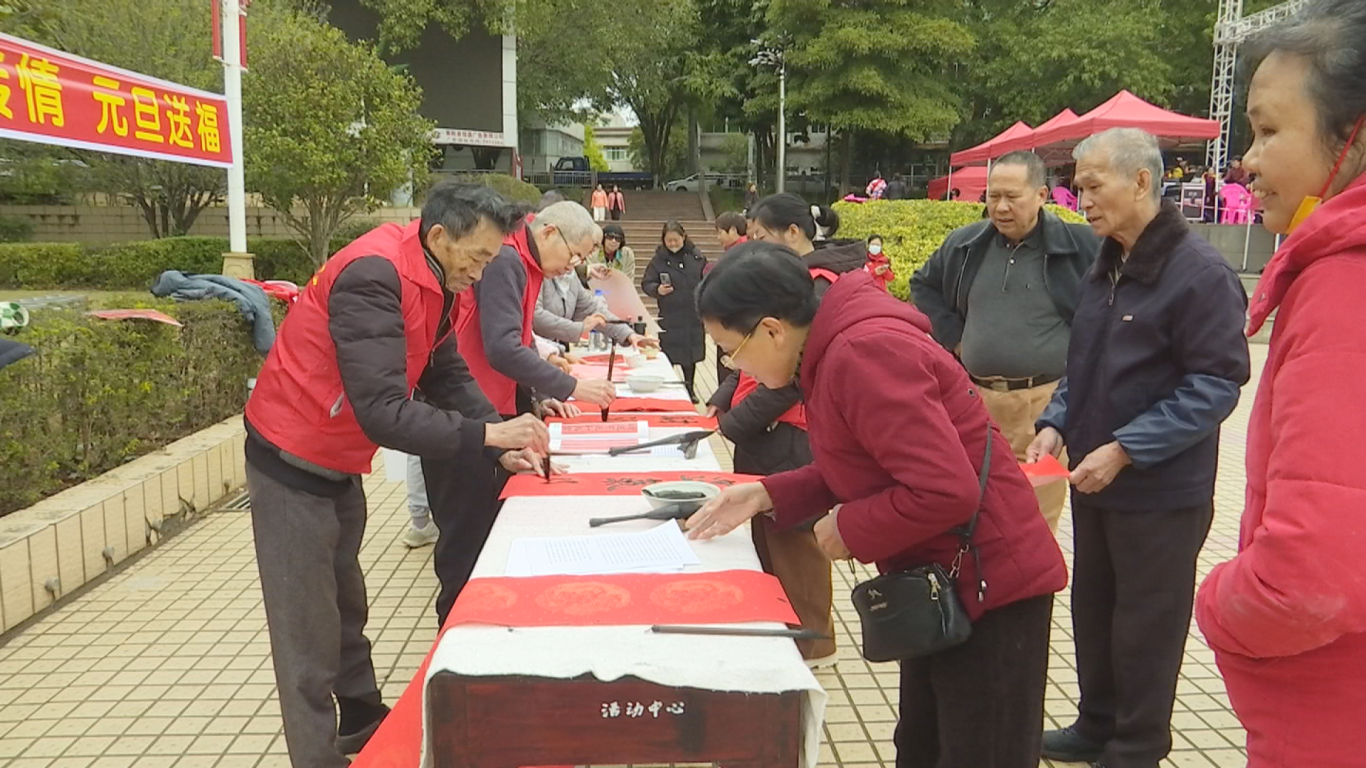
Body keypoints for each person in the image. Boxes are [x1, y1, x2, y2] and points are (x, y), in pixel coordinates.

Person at [686, 243, 1068, 767]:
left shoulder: (862, 352)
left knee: (979, 750)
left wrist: (849, 527)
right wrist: (770, 492)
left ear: (772, 330)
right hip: (943, 578)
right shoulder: (831, 348)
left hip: (990, 582)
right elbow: (870, 459)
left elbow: (945, 489)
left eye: (732, 349)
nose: (733, 365)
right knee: (923, 745)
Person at [242, 183, 551, 768]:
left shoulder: (437, 275)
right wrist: (487, 437)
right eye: (477, 257)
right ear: (439, 235)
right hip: (291, 455)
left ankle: (361, 719)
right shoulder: (373, 275)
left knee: (346, 603)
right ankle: (316, 757)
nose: (481, 273)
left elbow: (445, 371)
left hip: (338, 457)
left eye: (490, 260)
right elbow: (383, 411)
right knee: (305, 631)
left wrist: (497, 440)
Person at [1027, 128, 1251, 768]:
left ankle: (1138, 743)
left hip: (1161, 492)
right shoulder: (1106, 265)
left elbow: (1216, 383)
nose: (1082, 201)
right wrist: (1057, 422)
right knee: (1095, 610)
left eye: (1093, 186)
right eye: (1079, 187)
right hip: (1096, 482)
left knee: (1146, 624)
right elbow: (1083, 364)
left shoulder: (1199, 274)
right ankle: (1097, 724)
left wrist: (1125, 448)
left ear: (1142, 182)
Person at [1194, 2, 1366, 763]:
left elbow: (1313, 572)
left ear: (1352, 135)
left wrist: (1221, 605)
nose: (1246, 162)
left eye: (1268, 131)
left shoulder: (1345, 283)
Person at [429, 201, 617, 625]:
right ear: (549, 232)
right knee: (465, 545)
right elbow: (501, 347)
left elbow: (521, 335)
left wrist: (533, 398)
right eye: (573, 255)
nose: (571, 266)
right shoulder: (507, 259)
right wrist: (573, 387)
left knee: (488, 534)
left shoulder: (524, 260)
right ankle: (457, 636)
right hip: (466, 414)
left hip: (490, 411)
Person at [911, 151, 1101, 534]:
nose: (1000, 207)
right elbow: (922, 285)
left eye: (1012, 197)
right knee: (976, 516)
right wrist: (954, 338)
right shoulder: (966, 245)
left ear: (1041, 195)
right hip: (976, 403)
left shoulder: (1080, 246)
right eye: (993, 196)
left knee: (1033, 522)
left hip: (1044, 407)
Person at [746, 193, 868, 298]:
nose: (756, 246)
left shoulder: (817, 285)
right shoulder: (796, 275)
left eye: (761, 237)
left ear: (793, 232)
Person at [642, 220, 707, 401]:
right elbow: (647, 283)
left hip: (693, 314)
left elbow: (708, 279)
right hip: (670, 314)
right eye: (669, 240)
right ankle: (668, 388)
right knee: (669, 354)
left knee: (690, 356)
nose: (672, 244)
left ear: (683, 237)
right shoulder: (658, 261)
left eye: (676, 240)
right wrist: (657, 289)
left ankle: (690, 388)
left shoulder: (696, 257)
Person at [534, 268, 652, 350]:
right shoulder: (536, 273)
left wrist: (628, 334)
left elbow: (592, 309)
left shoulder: (571, 277)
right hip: (535, 352)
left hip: (554, 350)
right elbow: (535, 316)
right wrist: (580, 328)